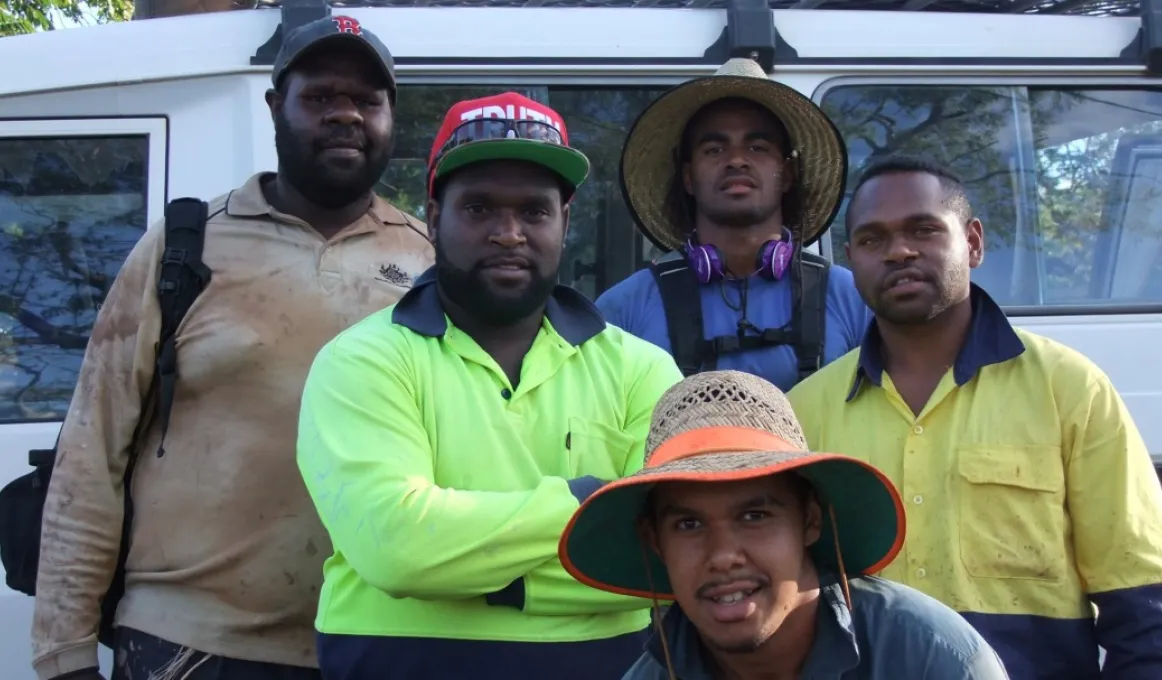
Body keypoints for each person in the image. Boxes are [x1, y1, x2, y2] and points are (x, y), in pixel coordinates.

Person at [30, 15, 434, 680]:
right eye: (321, 96)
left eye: (367, 100)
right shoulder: (185, 246)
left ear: (392, 116)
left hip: (375, 642)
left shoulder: (427, 262)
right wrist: (63, 653)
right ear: (276, 107)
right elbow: (90, 452)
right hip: (188, 646)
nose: (346, 116)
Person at [295, 91, 684, 680]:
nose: (509, 233)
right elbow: (397, 550)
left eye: (534, 211)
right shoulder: (361, 362)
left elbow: (671, 559)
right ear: (432, 217)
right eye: (478, 209)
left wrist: (482, 583)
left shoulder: (641, 370)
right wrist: (585, 504)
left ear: (565, 222)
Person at [786, 156, 1162, 680]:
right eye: (873, 240)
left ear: (975, 242)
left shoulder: (1069, 390)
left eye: (923, 230)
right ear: (851, 263)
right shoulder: (805, 411)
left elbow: (1144, 603)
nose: (899, 251)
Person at [557, 369, 1010, 680]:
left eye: (754, 517)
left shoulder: (932, 660)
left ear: (810, 520)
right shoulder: (658, 671)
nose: (723, 556)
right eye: (689, 525)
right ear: (654, 542)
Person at [595, 57, 870, 391]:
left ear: (787, 175)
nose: (737, 160)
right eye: (714, 149)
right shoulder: (623, 309)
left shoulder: (854, 299)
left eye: (757, 147)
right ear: (688, 178)